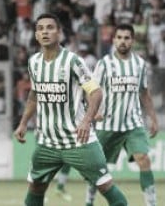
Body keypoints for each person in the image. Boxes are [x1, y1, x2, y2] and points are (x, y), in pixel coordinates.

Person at [13, 13, 128, 206]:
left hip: (78, 141)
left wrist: (86, 120)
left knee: (105, 186)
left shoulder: (73, 61)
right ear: (35, 35)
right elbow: (34, 94)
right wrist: (23, 123)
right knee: (35, 188)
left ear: (59, 32)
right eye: (40, 29)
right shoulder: (34, 62)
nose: (45, 32)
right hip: (48, 143)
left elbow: (96, 92)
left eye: (50, 27)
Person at [86, 23, 159, 206]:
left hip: (133, 124)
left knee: (144, 159)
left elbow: (144, 93)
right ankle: (89, 201)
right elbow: (91, 90)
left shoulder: (140, 64)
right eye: (119, 38)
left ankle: (151, 204)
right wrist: (96, 111)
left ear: (132, 41)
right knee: (96, 168)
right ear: (114, 40)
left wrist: (153, 119)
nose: (123, 41)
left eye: (126, 38)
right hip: (107, 124)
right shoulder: (104, 64)